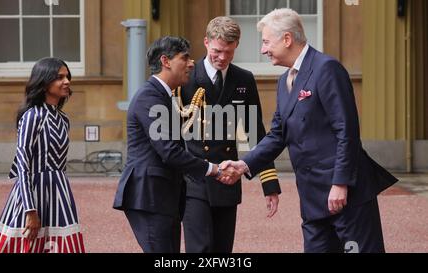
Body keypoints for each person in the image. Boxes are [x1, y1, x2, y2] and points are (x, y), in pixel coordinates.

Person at [220, 9, 398, 253]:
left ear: (287, 39)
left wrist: (340, 183)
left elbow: (347, 131)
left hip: (346, 195)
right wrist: (244, 165)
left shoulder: (327, 68)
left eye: (266, 42)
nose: (263, 50)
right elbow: (277, 135)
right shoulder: (284, 81)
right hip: (313, 198)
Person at [112, 36, 235, 253]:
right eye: (184, 58)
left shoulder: (161, 95)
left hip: (162, 197)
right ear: (165, 61)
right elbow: (169, 151)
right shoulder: (149, 96)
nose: (191, 63)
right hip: (150, 196)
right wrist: (213, 169)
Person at [179, 16, 281, 253]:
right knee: (200, 250)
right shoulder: (186, 78)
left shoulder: (243, 79)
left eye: (229, 52)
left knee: (222, 251)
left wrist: (270, 184)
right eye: (217, 50)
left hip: (228, 179)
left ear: (236, 46)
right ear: (206, 42)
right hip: (194, 179)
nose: (222, 57)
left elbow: (256, 132)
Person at [0, 57, 85, 253]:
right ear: (44, 81)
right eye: (59, 77)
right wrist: (29, 210)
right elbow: (22, 164)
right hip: (32, 193)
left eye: (67, 77)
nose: (66, 82)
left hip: (59, 192)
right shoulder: (32, 116)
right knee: (26, 246)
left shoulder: (63, 119)